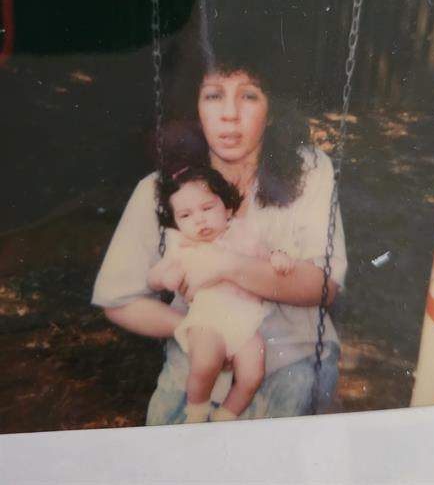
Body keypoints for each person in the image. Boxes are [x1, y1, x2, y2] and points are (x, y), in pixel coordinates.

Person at [92, 60, 347, 424]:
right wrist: (189, 330)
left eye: (248, 96)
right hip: (197, 370)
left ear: (272, 109)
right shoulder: (163, 189)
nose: (229, 114)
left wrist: (225, 264)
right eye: (213, 96)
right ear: (194, 108)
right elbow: (118, 299)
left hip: (292, 363)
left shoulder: (308, 172)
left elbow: (324, 286)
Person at [147, 164, 293, 422]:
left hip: (247, 323)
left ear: (227, 208)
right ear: (176, 223)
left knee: (252, 374)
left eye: (207, 208)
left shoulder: (243, 234)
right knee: (205, 363)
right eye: (186, 216)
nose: (199, 220)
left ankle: (226, 416)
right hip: (208, 319)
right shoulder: (184, 246)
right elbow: (153, 278)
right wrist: (166, 276)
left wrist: (277, 257)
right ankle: (197, 412)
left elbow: (264, 257)